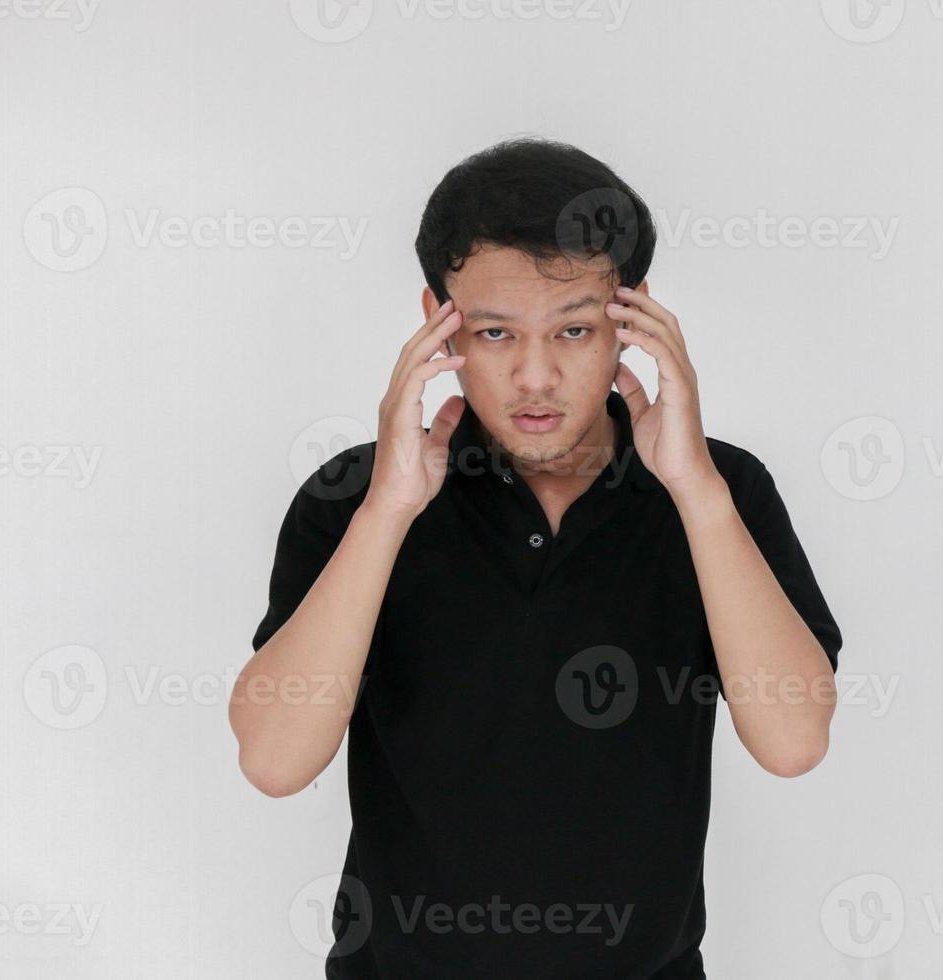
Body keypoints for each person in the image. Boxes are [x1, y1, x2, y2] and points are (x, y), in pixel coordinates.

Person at [230, 136, 844, 978]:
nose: (535, 376)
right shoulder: (353, 499)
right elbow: (272, 760)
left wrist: (695, 490)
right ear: (436, 323)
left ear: (633, 319)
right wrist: (388, 511)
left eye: (576, 330)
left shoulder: (719, 490)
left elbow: (793, 741)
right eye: (493, 332)